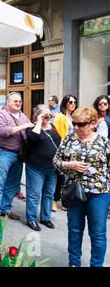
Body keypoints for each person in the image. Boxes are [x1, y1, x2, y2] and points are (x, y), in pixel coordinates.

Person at [53, 107, 110, 267]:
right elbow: (56, 161)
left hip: (99, 193)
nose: (76, 127)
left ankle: (96, 265)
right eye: (74, 123)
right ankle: (74, 263)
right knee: (75, 231)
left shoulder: (104, 142)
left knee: (98, 234)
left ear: (93, 124)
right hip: (74, 192)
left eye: (81, 124)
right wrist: (69, 164)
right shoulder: (69, 139)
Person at [0, 92, 34, 224]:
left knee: (13, 184)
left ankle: (5, 208)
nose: (18, 103)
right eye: (15, 101)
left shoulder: (23, 116)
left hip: (17, 154)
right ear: (8, 102)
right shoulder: (1, 115)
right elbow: (2, 131)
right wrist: (24, 126)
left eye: (20, 101)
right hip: (1, 152)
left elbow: (28, 134)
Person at [25, 105, 61, 231]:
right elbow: (32, 139)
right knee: (34, 195)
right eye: (44, 115)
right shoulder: (32, 128)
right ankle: (31, 219)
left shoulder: (53, 127)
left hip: (52, 168)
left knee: (49, 194)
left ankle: (46, 218)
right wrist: (39, 122)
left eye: (49, 115)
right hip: (36, 167)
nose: (47, 117)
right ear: (38, 115)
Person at [52, 94, 77, 212]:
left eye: (74, 102)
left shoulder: (75, 117)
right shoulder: (60, 117)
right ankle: (54, 200)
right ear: (65, 103)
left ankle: (65, 201)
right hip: (62, 149)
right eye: (70, 102)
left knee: (69, 177)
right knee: (60, 176)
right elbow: (56, 133)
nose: (73, 104)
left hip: (74, 150)